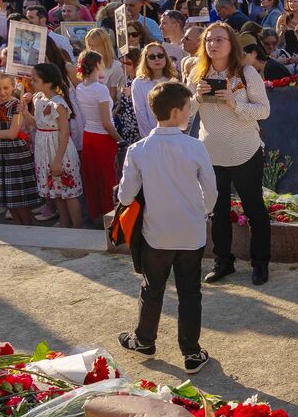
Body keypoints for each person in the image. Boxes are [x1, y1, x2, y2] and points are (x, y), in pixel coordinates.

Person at [115, 81, 218, 375]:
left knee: (152, 287)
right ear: (176, 112)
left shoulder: (138, 149)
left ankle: (144, 340)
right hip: (191, 231)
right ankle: (191, 351)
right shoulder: (195, 146)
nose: (189, 112)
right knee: (190, 291)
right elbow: (211, 190)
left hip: (156, 232)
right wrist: (204, 211)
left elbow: (125, 196)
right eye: (187, 108)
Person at [187, 21, 272, 285]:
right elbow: (185, 115)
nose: (212, 44)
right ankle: (223, 262)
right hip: (211, 153)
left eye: (219, 39)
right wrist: (196, 98)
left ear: (231, 43)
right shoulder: (196, 73)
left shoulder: (246, 72)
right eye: (208, 40)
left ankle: (260, 263)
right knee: (217, 211)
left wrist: (235, 104)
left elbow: (264, 111)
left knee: (254, 208)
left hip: (244, 150)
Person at [0, 71, 39, 225]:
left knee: (18, 198)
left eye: (6, 88)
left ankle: (29, 228)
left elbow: (11, 133)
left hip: (14, 152)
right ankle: (19, 227)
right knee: (6, 197)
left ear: (13, 86)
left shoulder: (17, 105)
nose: (2, 92)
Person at [29, 62, 84, 228]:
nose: (31, 82)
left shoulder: (58, 103)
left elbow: (65, 132)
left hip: (59, 150)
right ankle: (64, 225)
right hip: (45, 150)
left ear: (48, 82)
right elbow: (39, 123)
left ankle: (77, 227)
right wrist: (24, 112)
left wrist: (58, 160)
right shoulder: (38, 99)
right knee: (56, 192)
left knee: (69, 192)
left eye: (35, 80)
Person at [74, 49, 120, 223]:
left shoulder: (80, 87)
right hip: (103, 138)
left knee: (93, 178)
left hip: (89, 136)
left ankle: (96, 213)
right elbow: (106, 123)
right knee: (108, 179)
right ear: (97, 65)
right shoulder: (100, 89)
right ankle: (111, 217)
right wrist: (121, 140)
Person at [129, 42, 174, 139]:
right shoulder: (139, 83)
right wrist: (151, 137)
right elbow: (141, 114)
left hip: (173, 134)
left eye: (160, 55)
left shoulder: (173, 79)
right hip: (151, 135)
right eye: (152, 57)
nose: (157, 59)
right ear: (145, 60)